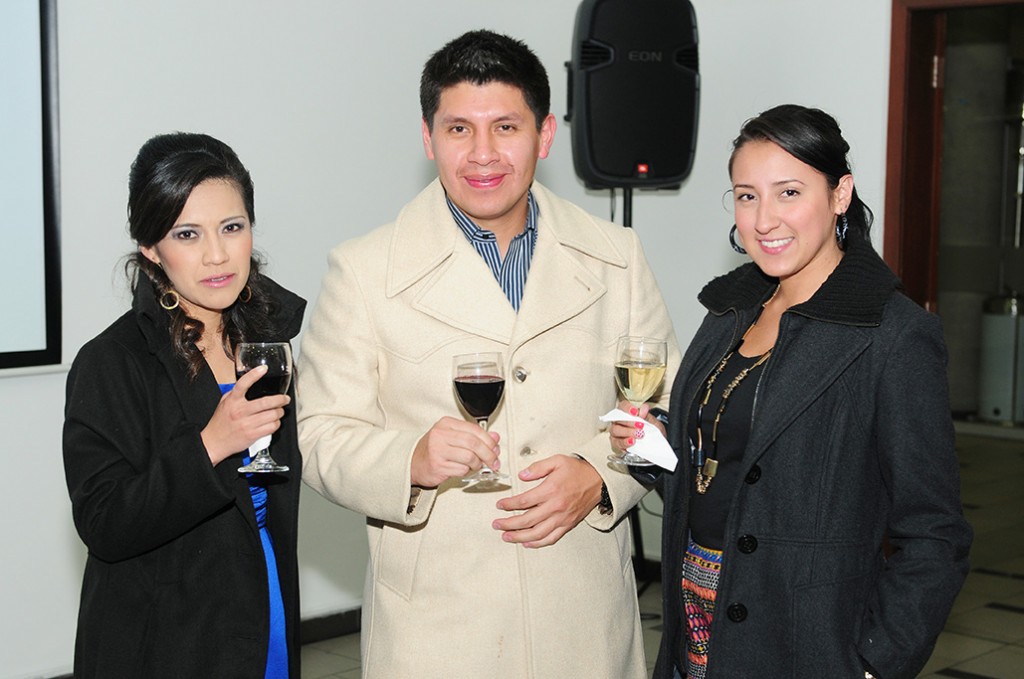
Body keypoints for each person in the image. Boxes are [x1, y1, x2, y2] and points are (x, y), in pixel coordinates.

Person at [297, 29, 679, 678]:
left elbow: (665, 410)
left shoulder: (616, 257)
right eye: (458, 129)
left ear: (545, 135)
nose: (482, 154)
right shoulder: (364, 270)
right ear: (428, 138)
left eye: (505, 127)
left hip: (582, 614)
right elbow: (319, 435)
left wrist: (602, 476)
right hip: (439, 630)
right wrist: (410, 459)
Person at [612, 104, 973, 679]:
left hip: (804, 644)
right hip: (693, 630)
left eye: (788, 193)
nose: (764, 220)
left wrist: (876, 663)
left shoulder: (893, 336)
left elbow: (934, 532)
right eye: (747, 196)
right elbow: (728, 468)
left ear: (839, 194)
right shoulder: (729, 311)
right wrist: (655, 446)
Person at [63, 132, 305, 678]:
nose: (217, 254)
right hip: (168, 638)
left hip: (261, 602)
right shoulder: (112, 361)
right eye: (187, 234)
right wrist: (210, 445)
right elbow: (104, 523)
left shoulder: (265, 344)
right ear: (151, 248)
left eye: (232, 227)